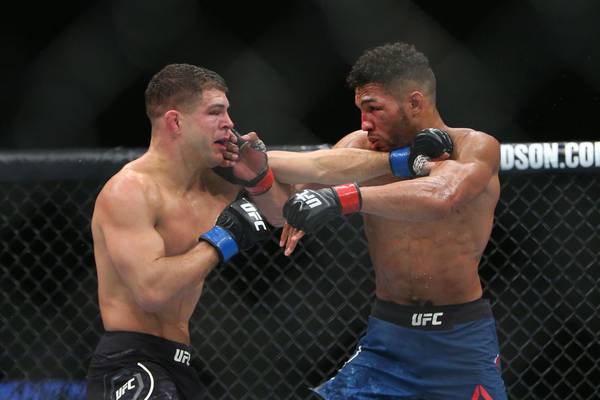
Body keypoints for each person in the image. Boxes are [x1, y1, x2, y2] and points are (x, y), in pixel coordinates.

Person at [86, 63, 408, 400]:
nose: (229, 123)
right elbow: (152, 292)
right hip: (131, 362)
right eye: (215, 112)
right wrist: (220, 241)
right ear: (175, 121)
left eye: (227, 111)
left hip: (180, 361)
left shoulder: (218, 181)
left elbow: (287, 207)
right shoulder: (131, 191)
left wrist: (259, 180)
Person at [278, 42, 507, 399]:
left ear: (415, 103)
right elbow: (291, 200)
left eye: (374, 109)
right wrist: (256, 175)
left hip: (460, 344)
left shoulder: (473, 146)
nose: (364, 123)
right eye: (360, 110)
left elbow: (442, 195)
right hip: (387, 341)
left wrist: (343, 198)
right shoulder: (360, 147)